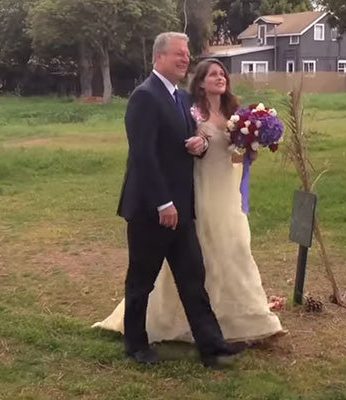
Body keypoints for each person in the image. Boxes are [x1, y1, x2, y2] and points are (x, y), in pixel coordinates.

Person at [94, 56, 285, 349]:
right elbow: (165, 148)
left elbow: (233, 155)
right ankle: (172, 326)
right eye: (212, 74)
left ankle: (242, 320)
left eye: (222, 74)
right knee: (195, 259)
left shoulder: (235, 113)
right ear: (200, 81)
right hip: (197, 188)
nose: (219, 78)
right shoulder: (189, 108)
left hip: (225, 190)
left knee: (233, 249)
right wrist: (199, 146)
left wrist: (251, 149)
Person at [111, 32, 243, 368]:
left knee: (192, 277)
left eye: (187, 55)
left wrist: (197, 147)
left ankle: (212, 347)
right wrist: (162, 204)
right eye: (179, 55)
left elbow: (183, 143)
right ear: (160, 57)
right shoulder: (144, 97)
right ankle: (135, 344)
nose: (186, 60)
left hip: (181, 208)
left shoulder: (181, 99)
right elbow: (143, 155)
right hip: (150, 209)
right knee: (142, 279)